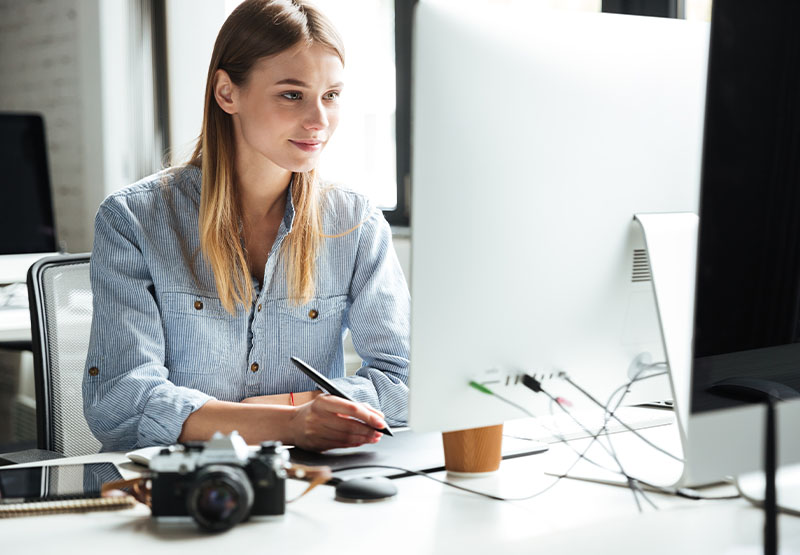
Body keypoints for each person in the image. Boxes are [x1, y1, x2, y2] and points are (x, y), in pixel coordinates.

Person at [82, 0, 409, 453]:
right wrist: (292, 422)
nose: (319, 121)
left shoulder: (356, 223)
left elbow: (404, 381)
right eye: (292, 94)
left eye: (331, 95)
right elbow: (120, 405)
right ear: (227, 93)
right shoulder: (133, 220)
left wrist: (294, 413)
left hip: (306, 484)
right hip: (174, 487)